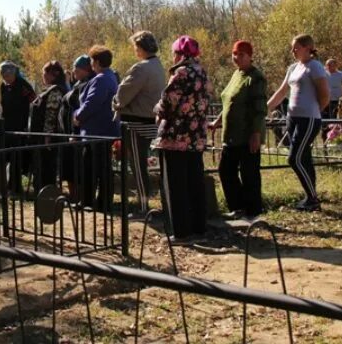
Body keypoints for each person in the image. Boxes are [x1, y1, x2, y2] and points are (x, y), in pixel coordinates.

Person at [152, 35, 211, 244]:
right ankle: (199, 228)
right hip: (196, 138)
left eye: (174, 52)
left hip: (176, 136)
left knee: (175, 184)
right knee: (195, 182)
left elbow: (167, 103)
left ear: (180, 53)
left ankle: (181, 232)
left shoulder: (181, 73)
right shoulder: (202, 72)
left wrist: (157, 110)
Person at [267, 34, 329, 211]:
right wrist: (265, 108)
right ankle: (311, 197)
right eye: (292, 47)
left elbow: (324, 94)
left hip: (308, 119)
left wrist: (315, 110)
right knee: (305, 159)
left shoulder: (315, 66)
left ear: (307, 48)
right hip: (292, 118)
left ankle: (313, 198)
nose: (293, 51)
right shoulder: (293, 68)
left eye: (296, 47)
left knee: (294, 158)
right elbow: (281, 92)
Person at [210, 40, 267, 220]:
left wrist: (256, 134)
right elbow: (229, 101)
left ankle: (254, 212)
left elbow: (259, 109)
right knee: (226, 171)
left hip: (247, 134)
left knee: (249, 174)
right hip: (231, 135)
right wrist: (217, 122)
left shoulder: (256, 78)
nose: (237, 58)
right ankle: (238, 207)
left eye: (241, 54)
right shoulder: (236, 74)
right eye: (234, 54)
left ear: (250, 56)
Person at [112, 31, 166, 213]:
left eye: (136, 46)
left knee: (137, 164)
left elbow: (123, 94)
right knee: (140, 162)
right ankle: (144, 203)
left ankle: (143, 206)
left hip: (136, 123)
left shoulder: (141, 68)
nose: (135, 50)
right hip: (149, 120)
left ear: (141, 47)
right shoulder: (158, 65)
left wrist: (116, 103)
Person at [74, 46, 120, 209]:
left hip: (97, 131)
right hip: (103, 130)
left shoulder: (101, 79)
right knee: (101, 168)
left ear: (98, 62)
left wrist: (77, 116)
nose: (91, 64)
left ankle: (92, 202)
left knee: (92, 168)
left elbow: (91, 103)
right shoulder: (110, 76)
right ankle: (100, 202)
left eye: (93, 60)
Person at [59, 55, 95, 201]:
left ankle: (80, 196)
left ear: (85, 70)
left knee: (77, 166)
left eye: (76, 69)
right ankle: (74, 195)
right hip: (69, 132)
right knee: (69, 165)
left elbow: (80, 108)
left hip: (78, 133)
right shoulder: (78, 83)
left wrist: (75, 132)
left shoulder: (88, 84)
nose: (74, 71)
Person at [29, 61, 69, 191]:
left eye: (44, 73)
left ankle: (46, 193)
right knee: (41, 166)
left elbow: (51, 114)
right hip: (41, 135)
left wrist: (48, 135)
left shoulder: (56, 91)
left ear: (52, 75)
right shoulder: (52, 89)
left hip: (47, 137)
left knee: (46, 167)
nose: (43, 76)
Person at [0, 61, 36, 194]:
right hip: (6, 125)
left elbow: (34, 100)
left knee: (16, 157)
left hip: (20, 125)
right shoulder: (3, 86)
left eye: (8, 75)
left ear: (14, 74)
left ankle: (16, 186)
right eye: (3, 75)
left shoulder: (23, 85)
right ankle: (6, 185)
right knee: (7, 156)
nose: (5, 78)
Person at [323, 59, 342, 138]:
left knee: (337, 121)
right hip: (326, 102)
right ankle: (326, 140)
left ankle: (339, 138)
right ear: (326, 66)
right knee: (326, 123)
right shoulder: (323, 74)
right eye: (329, 65)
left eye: (332, 65)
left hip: (338, 102)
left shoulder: (341, 74)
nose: (330, 67)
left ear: (336, 66)